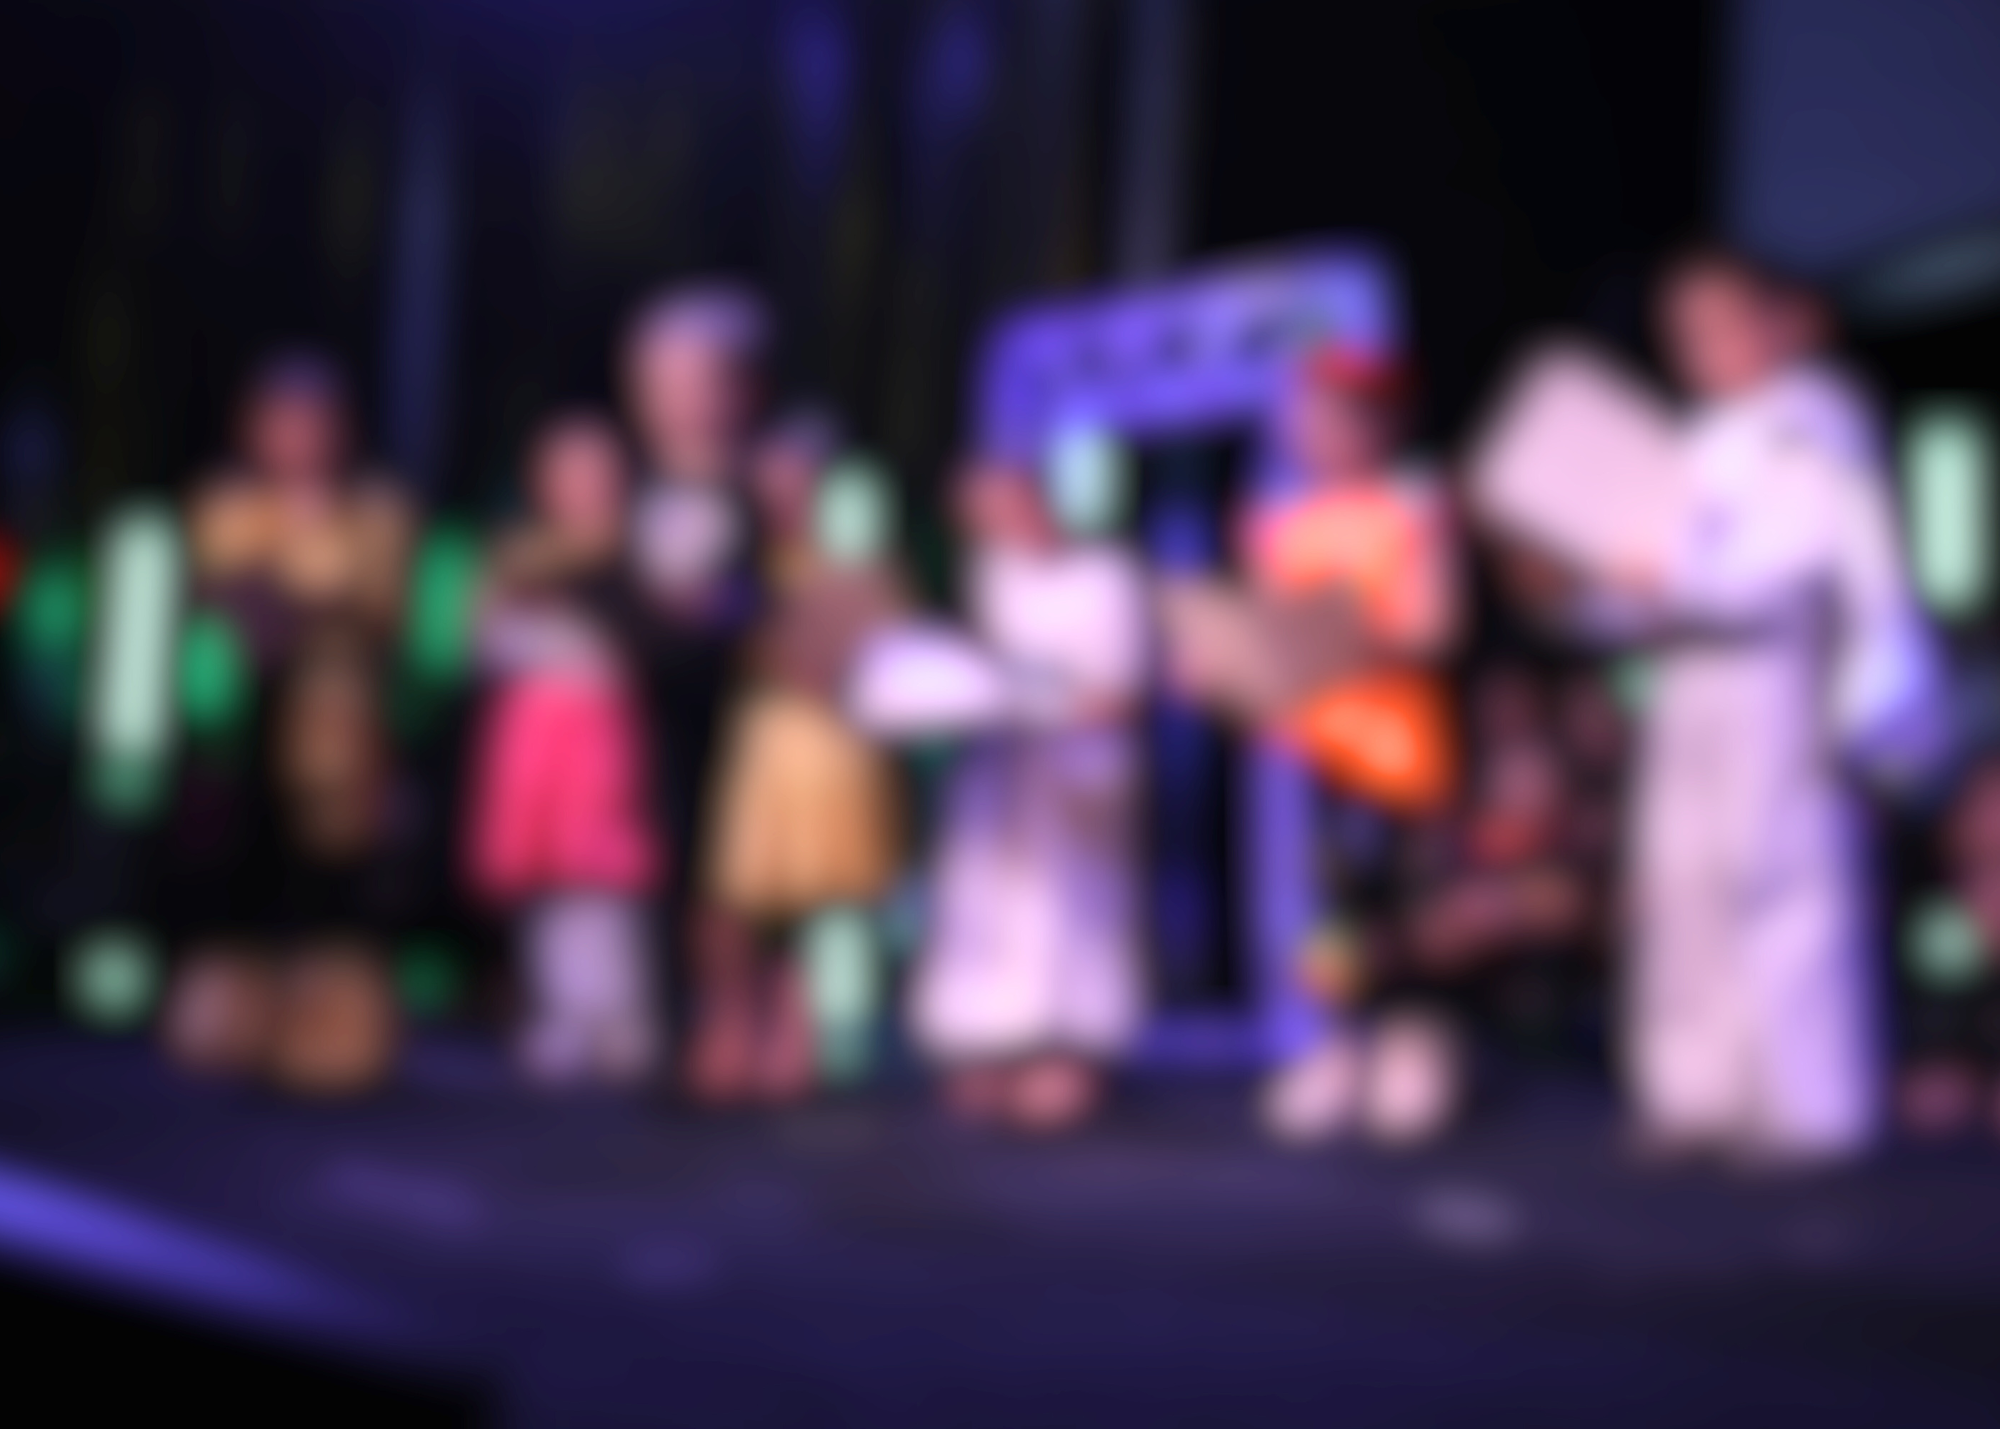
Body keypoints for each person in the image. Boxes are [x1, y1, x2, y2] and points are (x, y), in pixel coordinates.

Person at [1505, 247, 1937, 1173]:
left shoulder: (1815, 419)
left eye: (1719, 323)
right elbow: (1636, 584)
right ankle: (1692, 1094)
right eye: (1683, 331)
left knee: (1778, 873)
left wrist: (1663, 574)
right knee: (1680, 879)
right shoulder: (1696, 441)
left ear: (1778, 320)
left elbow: (1777, 567)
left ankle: (1807, 1107)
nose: (1700, 346)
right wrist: (1572, 594)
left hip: (1775, 671)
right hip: (1685, 679)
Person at [1191, 342, 1459, 1148]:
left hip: (1391, 744)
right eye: (1308, 416)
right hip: (1306, 750)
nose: (1318, 432)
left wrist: (1345, 635)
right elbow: (1259, 631)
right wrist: (1221, 661)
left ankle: (1410, 1045)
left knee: (1397, 902)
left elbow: (1435, 625)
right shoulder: (1281, 520)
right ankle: (1332, 1045)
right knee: (1319, 914)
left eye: (1339, 416)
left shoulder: (1412, 505)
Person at [163, 351, 414, 1097]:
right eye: (282, 421)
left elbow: (379, 609)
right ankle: (232, 1020)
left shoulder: (374, 509)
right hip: (240, 722)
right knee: (237, 874)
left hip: (338, 727)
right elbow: (227, 595)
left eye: (315, 422)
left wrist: (300, 593)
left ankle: (332, 1035)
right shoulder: (228, 504)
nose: (299, 438)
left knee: (332, 886)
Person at [910, 457, 1147, 1134]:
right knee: (989, 905)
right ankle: (991, 1050)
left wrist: (1053, 702)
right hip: (1001, 768)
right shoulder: (987, 575)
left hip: (1076, 773)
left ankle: (1069, 1050)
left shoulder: (1106, 574)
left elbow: (1122, 689)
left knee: (1069, 910)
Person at [699, 412, 906, 1104]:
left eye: (799, 477)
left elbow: (885, 642)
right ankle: (735, 1028)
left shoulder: (863, 564)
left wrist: (812, 648)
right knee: (744, 897)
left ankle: (821, 1035)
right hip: (764, 741)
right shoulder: (741, 556)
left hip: (834, 740)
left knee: (832, 897)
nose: (784, 490)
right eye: (773, 477)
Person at [466, 412, 662, 1088]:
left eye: (599, 473)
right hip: (535, 726)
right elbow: (481, 637)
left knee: (607, 874)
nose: (585, 487)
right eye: (569, 474)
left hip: (606, 719)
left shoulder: (637, 546)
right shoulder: (519, 551)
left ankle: (622, 1014)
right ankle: (559, 1013)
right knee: (544, 877)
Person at [617, 283, 770, 1103]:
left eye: (696, 380)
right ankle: (665, 1023)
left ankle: (740, 1024)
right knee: (653, 864)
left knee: (736, 873)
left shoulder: (769, 486)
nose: (677, 402)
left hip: (747, 717)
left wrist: (730, 607)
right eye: (659, 381)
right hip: (634, 716)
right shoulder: (618, 485)